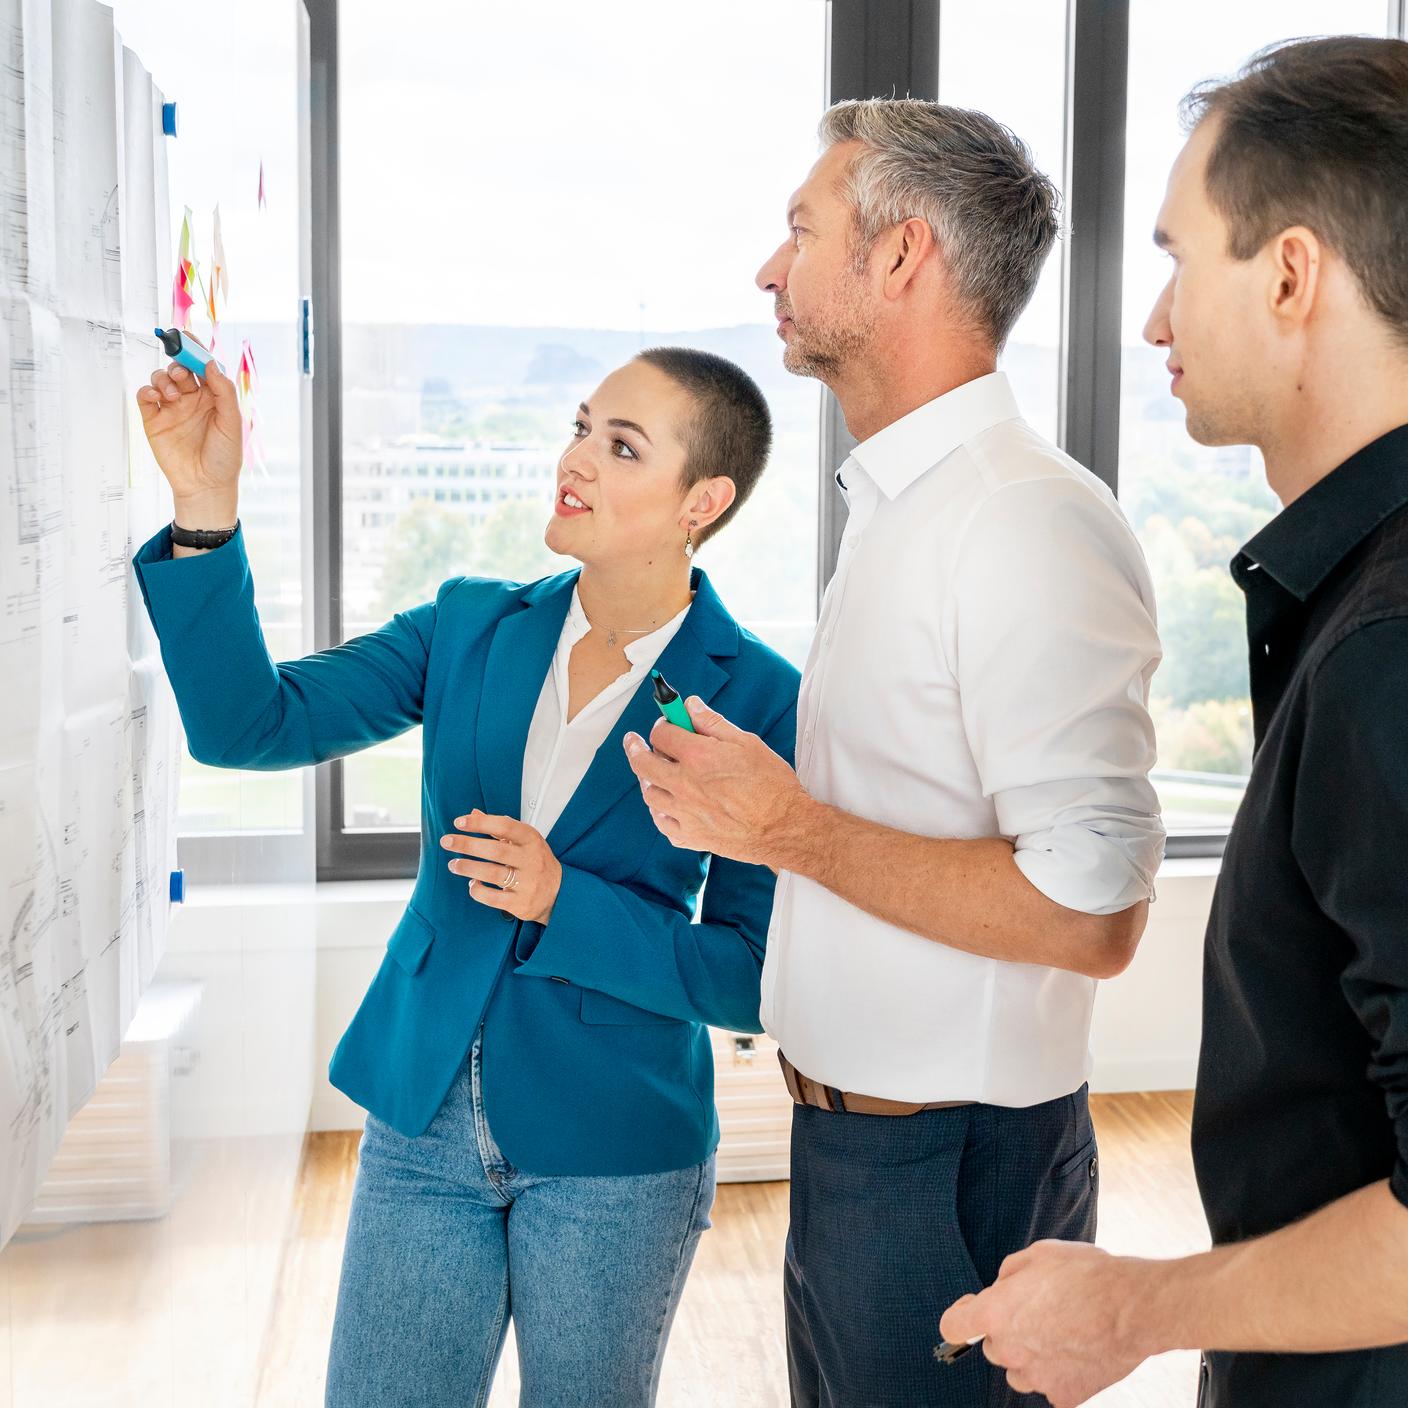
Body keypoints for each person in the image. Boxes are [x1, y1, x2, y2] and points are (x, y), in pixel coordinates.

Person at [131, 345, 799, 1407]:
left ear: (701, 501)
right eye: (581, 425)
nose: (573, 457)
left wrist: (561, 900)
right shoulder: (469, 624)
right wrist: (205, 505)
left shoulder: (760, 697)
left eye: (619, 445)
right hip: (422, 1115)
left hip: (615, 1148)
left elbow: (750, 974)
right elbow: (246, 724)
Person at [625, 98, 1164, 1405]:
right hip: (864, 1146)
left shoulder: (1023, 524)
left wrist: (783, 828)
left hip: (954, 1163)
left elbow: (1096, 914)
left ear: (903, 255)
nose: (770, 268)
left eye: (801, 229)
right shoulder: (904, 508)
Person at [938, 35, 1408, 1408]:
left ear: (1290, 274)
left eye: (1176, 258)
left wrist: (1138, 1307)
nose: (1152, 322)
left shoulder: (1389, 644)